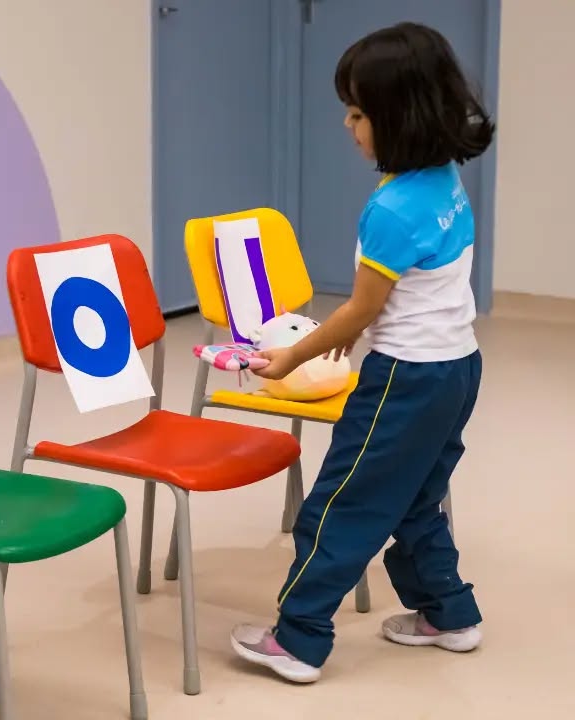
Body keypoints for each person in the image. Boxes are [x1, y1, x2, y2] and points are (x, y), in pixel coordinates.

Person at [229, 21, 494, 683]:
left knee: (339, 505)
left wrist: (291, 357)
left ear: (400, 116)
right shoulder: (442, 177)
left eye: (357, 113)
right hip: (458, 367)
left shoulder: (392, 208)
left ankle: (298, 640)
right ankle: (449, 614)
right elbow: (406, 288)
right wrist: (355, 326)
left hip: (404, 380)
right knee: (416, 500)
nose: (347, 125)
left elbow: (362, 307)